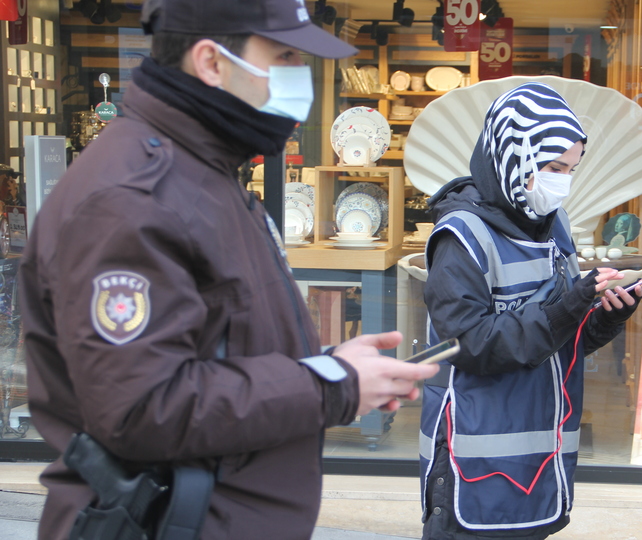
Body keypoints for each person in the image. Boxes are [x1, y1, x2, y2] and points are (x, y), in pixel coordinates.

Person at [18, 0, 438, 538]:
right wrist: (331, 384)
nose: (299, 75)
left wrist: (332, 365)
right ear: (212, 63)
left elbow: (213, 346)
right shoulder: (132, 197)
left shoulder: (203, 172)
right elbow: (143, 407)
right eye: (284, 55)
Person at [419, 82, 642, 539]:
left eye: (570, 168)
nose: (562, 180)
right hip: (474, 473)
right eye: (552, 166)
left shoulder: (553, 225)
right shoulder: (461, 238)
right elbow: (466, 345)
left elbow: (558, 342)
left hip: (539, 469)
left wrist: (605, 314)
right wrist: (567, 309)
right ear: (512, 157)